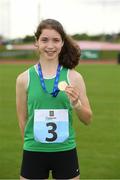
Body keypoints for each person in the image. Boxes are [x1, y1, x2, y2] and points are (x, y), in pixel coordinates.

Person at [16, 19, 92, 180]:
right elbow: (22, 120)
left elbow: (88, 119)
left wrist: (76, 104)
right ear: (36, 42)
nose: (50, 46)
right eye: (44, 40)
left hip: (65, 151)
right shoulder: (23, 79)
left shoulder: (74, 77)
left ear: (62, 43)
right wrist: (32, 145)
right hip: (34, 152)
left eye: (56, 40)